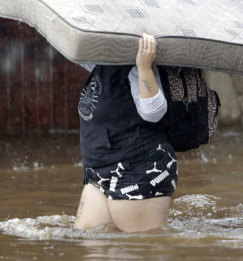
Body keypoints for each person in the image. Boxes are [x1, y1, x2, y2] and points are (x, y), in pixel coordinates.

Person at [73, 32, 177, 232]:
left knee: (138, 255)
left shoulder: (137, 59)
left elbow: (154, 112)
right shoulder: (103, 59)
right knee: (90, 247)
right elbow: (74, 50)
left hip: (138, 169)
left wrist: (144, 67)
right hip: (99, 172)